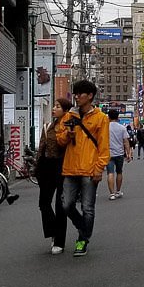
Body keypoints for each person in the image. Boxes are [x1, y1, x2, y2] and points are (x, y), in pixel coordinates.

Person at [56, 80, 111, 257]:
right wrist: (67, 134)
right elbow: (60, 141)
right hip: (70, 168)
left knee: (88, 207)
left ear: (90, 96)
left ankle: (82, 240)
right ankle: (83, 227)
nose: (77, 96)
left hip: (89, 169)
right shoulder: (69, 116)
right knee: (66, 205)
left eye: (80, 94)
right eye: (76, 93)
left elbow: (104, 147)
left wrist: (99, 169)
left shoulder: (101, 118)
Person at [34, 98, 72, 254]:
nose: (54, 109)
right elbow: (41, 148)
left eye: (58, 106)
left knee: (60, 205)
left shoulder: (69, 126)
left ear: (65, 110)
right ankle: (52, 231)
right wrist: (37, 167)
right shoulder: (47, 126)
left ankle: (59, 241)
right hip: (47, 166)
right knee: (44, 203)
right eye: (54, 106)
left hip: (63, 166)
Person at [105, 109, 133, 200]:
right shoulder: (122, 128)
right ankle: (118, 191)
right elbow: (126, 142)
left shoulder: (105, 127)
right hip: (119, 153)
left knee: (110, 173)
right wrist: (128, 153)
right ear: (118, 117)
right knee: (119, 172)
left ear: (108, 117)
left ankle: (111, 194)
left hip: (108, 153)